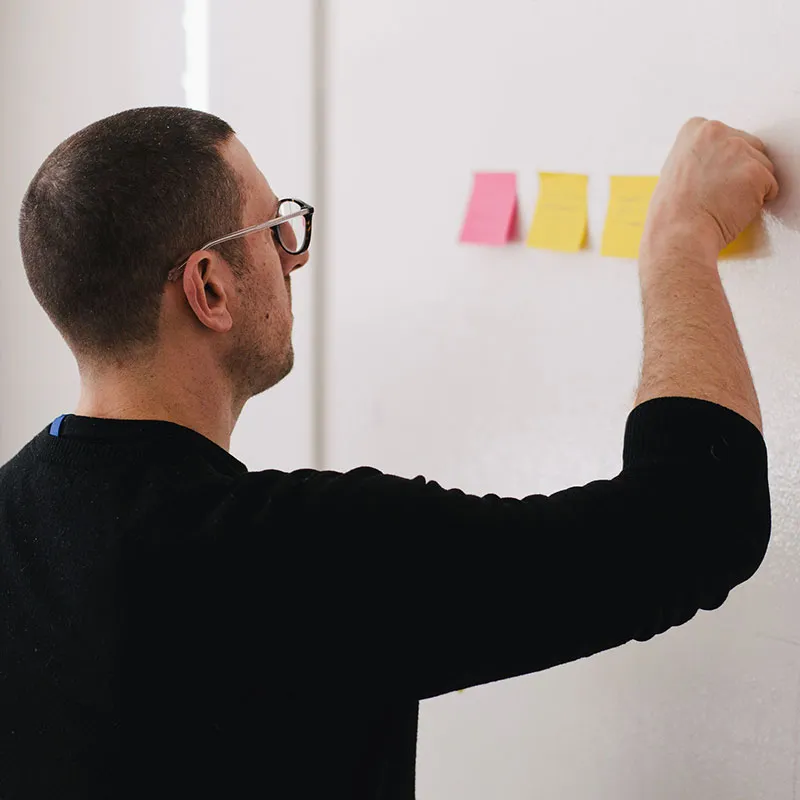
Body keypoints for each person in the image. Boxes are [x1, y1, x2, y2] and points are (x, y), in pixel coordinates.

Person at [0, 107, 776, 799]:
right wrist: (679, 238)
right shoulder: (292, 556)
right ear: (210, 288)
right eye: (275, 232)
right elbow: (696, 523)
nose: (293, 259)